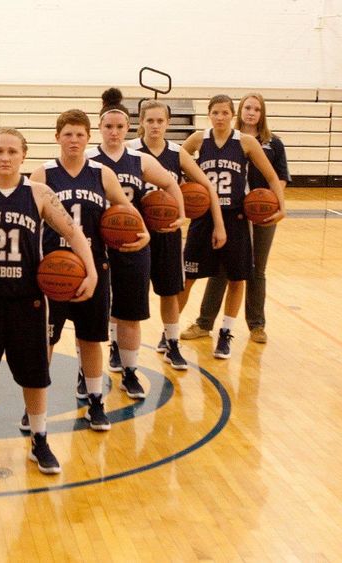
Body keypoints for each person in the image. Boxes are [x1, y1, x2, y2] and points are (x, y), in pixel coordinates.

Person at [0, 128, 97, 471]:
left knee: (35, 377)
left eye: (11, 151)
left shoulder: (39, 194)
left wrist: (91, 271)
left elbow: (72, 232)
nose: (5, 158)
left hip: (29, 301)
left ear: (24, 155)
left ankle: (39, 439)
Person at [29, 109, 137, 431]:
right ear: (57, 136)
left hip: (94, 268)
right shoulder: (42, 174)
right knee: (44, 341)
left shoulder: (102, 173)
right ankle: (36, 407)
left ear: (88, 138)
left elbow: (124, 209)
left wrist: (142, 230)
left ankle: (95, 401)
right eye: (67, 133)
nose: (73, 139)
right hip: (53, 267)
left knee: (91, 339)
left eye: (79, 134)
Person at [86, 88, 183, 396]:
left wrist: (179, 214)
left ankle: (129, 371)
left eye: (119, 127)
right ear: (99, 128)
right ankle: (85, 372)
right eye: (108, 127)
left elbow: (170, 182)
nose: (114, 132)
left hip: (133, 244)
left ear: (128, 128)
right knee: (90, 316)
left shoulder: (138, 160)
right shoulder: (88, 158)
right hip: (98, 246)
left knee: (131, 310)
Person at [178, 94, 285, 359]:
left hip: (235, 217)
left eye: (225, 112)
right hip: (203, 217)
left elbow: (272, 175)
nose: (221, 117)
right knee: (187, 278)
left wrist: (282, 206)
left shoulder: (246, 142)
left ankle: (225, 333)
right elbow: (175, 162)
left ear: (230, 114)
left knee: (238, 277)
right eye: (216, 112)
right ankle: (170, 333)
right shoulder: (197, 139)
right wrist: (182, 187)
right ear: (209, 114)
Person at [128, 100, 226, 369]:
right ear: (141, 123)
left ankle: (171, 344)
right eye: (150, 121)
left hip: (168, 233)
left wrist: (218, 224)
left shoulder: (177, 153)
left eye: (161, 121)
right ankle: (116, 346)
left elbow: (206, 186)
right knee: (126, 294)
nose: (156, 126)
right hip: (134, 233)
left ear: (168, 123)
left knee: (170, 292)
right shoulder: (130, 152)